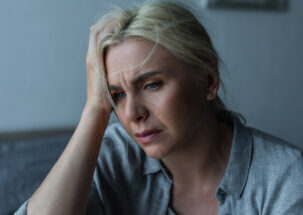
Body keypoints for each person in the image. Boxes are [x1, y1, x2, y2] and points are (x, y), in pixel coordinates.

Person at [15, 1, 303, 215]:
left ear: (209, 81)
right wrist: (94, 109)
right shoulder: (117, 154)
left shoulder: (286, 177)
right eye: (117, 95)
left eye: (152, 85)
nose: (132, 114)